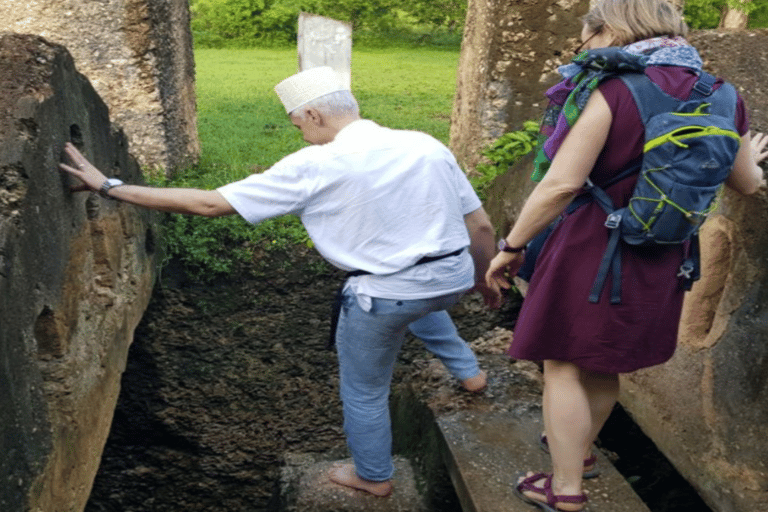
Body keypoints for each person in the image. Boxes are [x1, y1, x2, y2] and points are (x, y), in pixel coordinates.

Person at [59, 66, 500, 498]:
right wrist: (483, 280)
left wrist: (109, 187)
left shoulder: (315, 164)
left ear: (313, 115)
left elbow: (210, 204)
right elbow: (479, 226)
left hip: (384, 295)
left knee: (364, 391)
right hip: (452, 275)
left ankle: (373, 475)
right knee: (422, 300)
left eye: (297, 125)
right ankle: (470, 374)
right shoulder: (424, 144)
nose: (300, 134)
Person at [484, 0, 767, 510]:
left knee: (564, 362)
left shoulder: (616, 89)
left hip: (594, 244)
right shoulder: (724, 93)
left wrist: (512, 246)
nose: (584, 48)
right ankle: (580, 453)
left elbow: (561, 185)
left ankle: (565, 488)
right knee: (604, 362)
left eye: (587, 37)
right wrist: (758, 158)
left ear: (610, 29)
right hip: (665, 251)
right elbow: (746, 183)